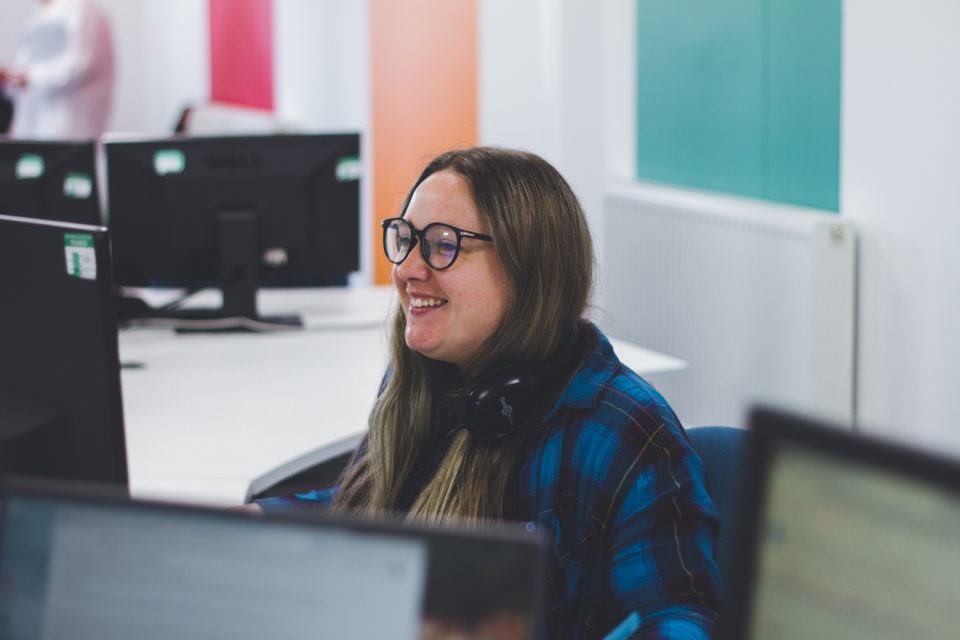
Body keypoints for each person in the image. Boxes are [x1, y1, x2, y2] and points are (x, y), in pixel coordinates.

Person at [256, 147, 721, 639]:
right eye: (406, 238)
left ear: (529, 267)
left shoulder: (621, 428)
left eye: (442, 244)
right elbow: (373, 509)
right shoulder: (421, 377)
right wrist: (252, 525)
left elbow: (678, 622)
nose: (409, 269)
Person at [0, 0, 114, 139]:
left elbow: (78, 66)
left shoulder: (81, 8)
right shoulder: (41, 15)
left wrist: (29, 78)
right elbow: (25, 69)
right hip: (33, 128)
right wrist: (11, 79)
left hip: (67, 126)